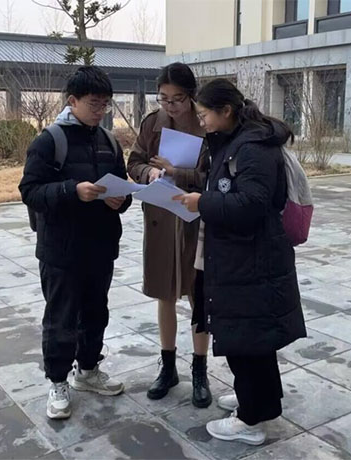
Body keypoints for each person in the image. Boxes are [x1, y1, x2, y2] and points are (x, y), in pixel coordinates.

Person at [174, 79, 307, 445]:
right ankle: (259, 400)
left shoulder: (251, 148)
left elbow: (252, 204)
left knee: (247, 339)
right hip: (240, 257)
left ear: (226, 111)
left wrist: (202, 203)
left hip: (250, 260)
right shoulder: (235, 140)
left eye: (204, 114)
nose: (201, 121)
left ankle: (250, 420)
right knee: (250, 339)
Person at [19, 66, 132, 420]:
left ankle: (88, 370)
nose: (100, 111)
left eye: (105, 105)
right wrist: (72, 190)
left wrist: (120, 201)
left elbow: (123, 186)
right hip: (62, 250)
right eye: (94, 104)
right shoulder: (50, 141)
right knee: (61, 318)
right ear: (73, 101)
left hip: (100, 246)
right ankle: (57, 381)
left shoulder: (109, 141)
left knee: (96, 313)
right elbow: (30, 191)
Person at [127, 62, 212, 408]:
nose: (170, 106)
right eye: (163, 98)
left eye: (177, 99)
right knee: (164, 293)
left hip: (196, 219)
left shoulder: (206, 124)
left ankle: (200, 371)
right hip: (161, 218)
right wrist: (148, 173)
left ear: (191, 96)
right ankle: (167, 367)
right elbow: (134, 162)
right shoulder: (153, 123)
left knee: (198, 296)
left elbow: (215, 175)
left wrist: (180, 173)